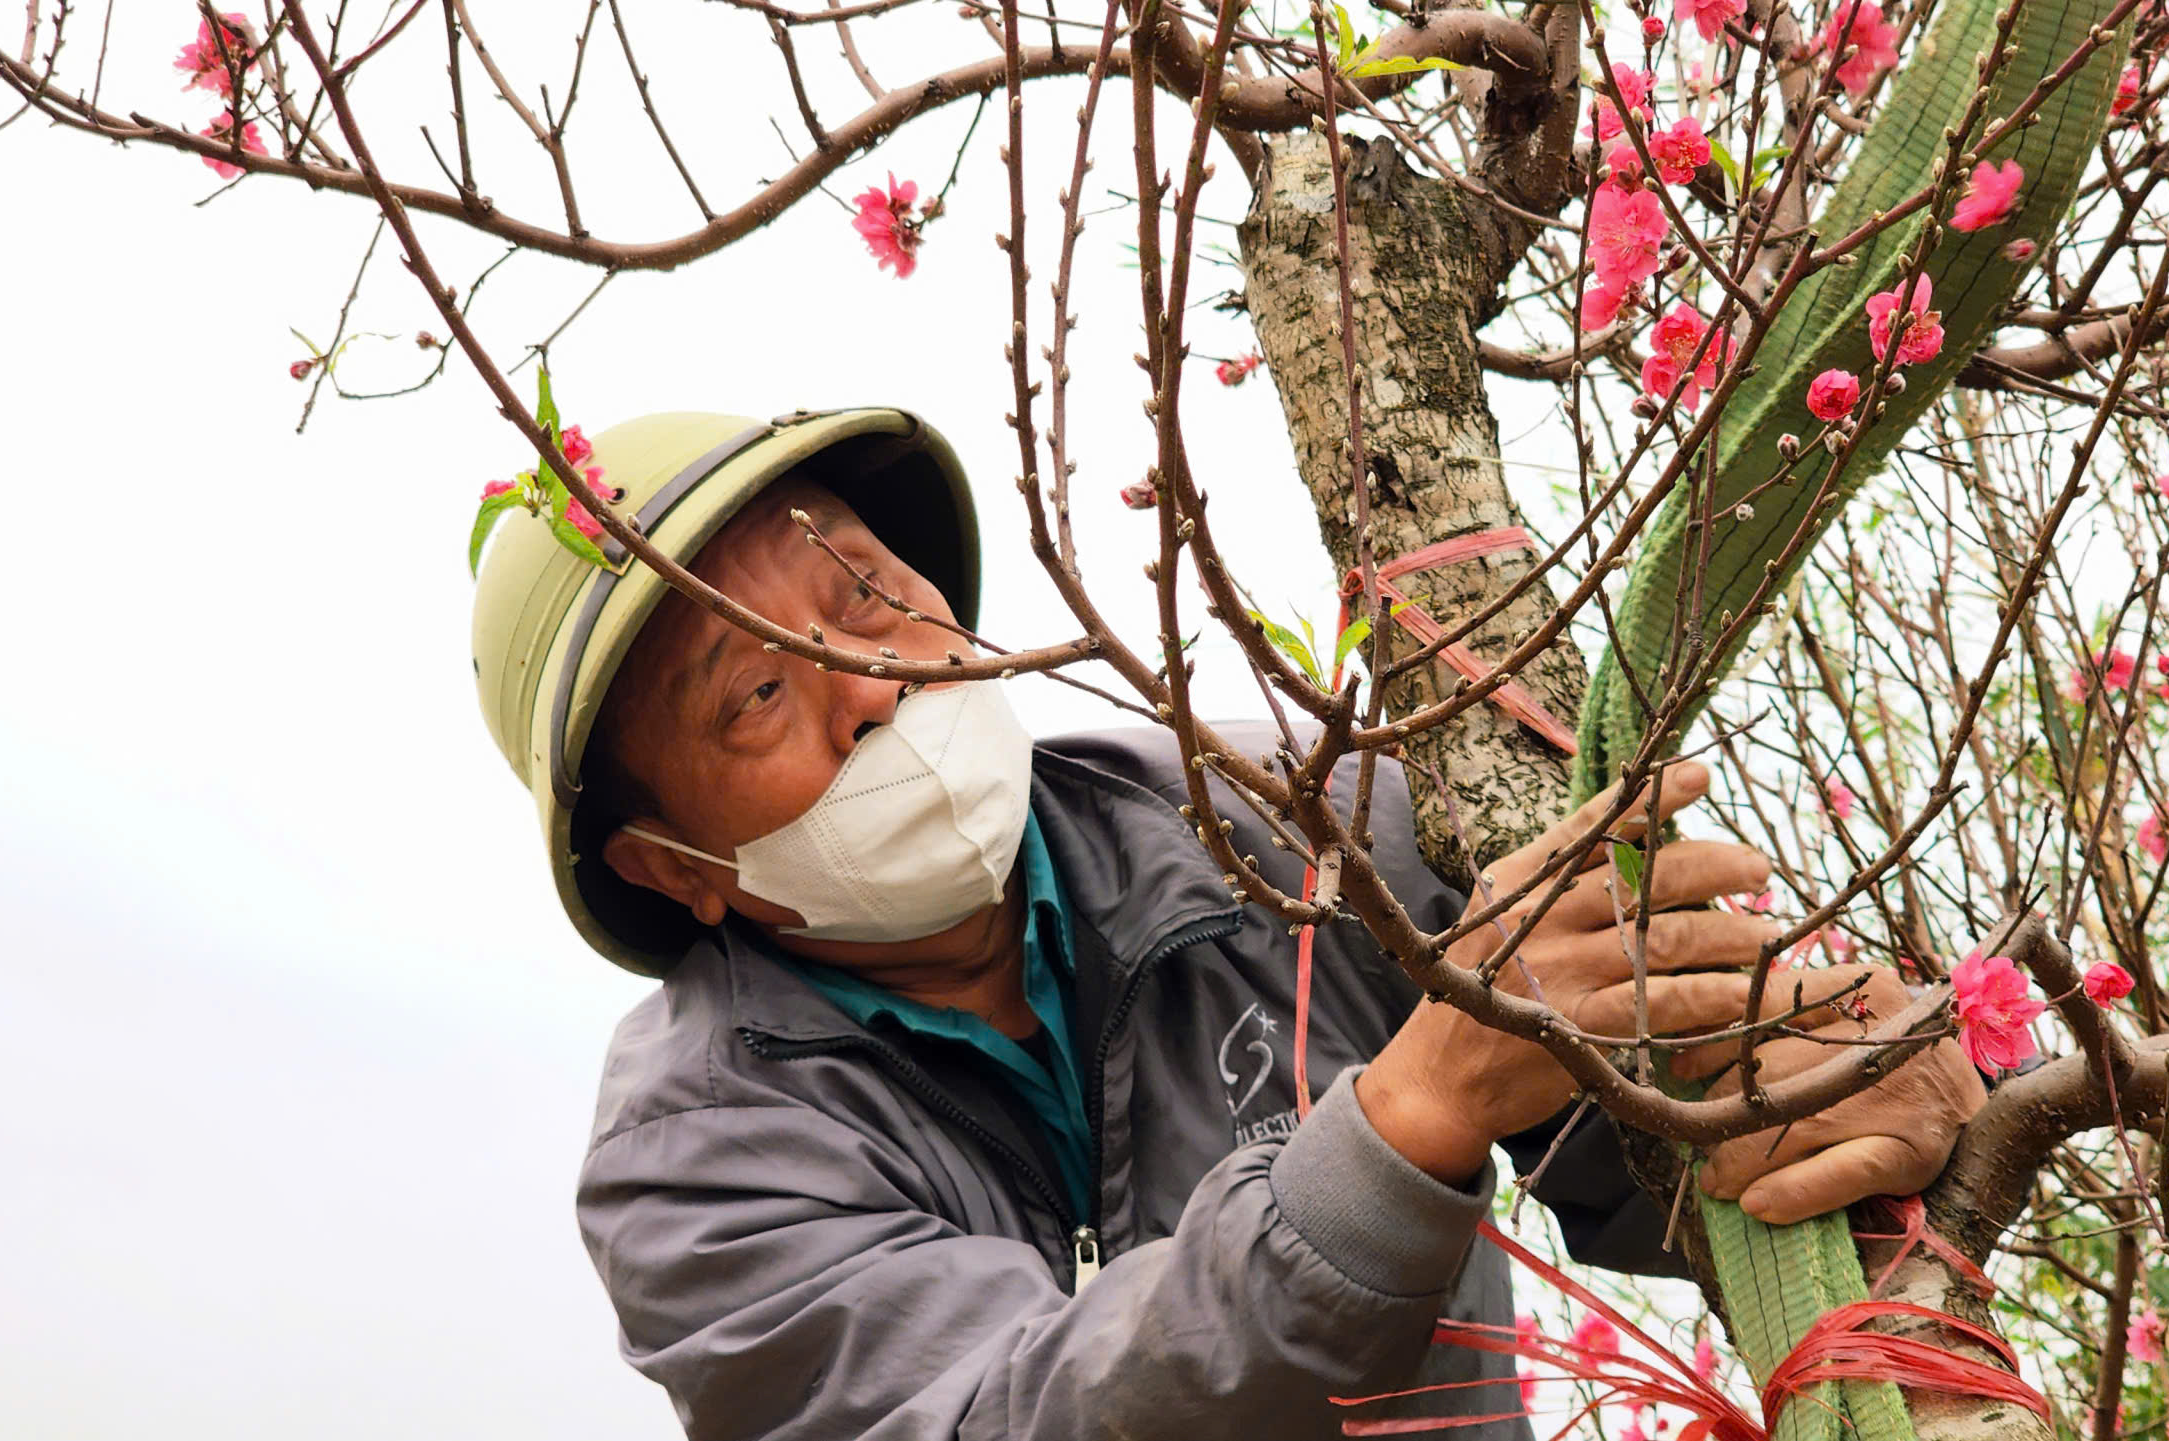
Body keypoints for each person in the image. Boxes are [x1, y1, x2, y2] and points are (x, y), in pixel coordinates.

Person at [468, 408, 1986, 1440]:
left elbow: (1657, 1126)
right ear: (673, 867)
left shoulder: (1307, 827)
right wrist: (1406, 1123)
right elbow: (1009, 1410)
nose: (872, 688)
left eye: (865, 597)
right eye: (755, 695)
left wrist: (1851, 1067)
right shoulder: (700, 1168)